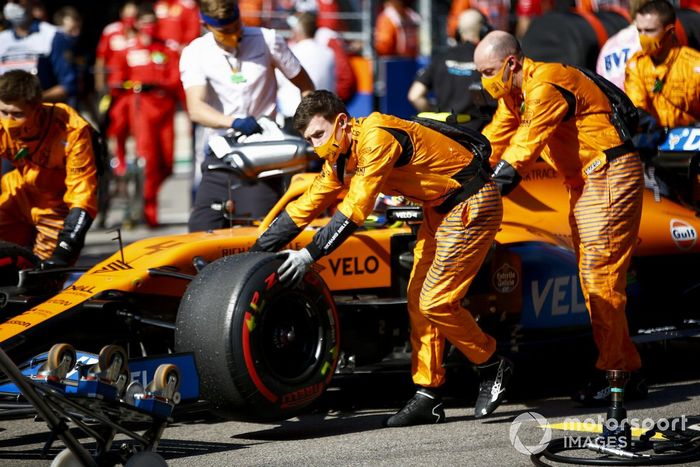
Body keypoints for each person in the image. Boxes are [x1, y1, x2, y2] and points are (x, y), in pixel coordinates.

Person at [250, 90, 513, 426]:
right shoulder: (340, 158)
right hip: (438, 212)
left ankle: (492, 364)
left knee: (436, 301)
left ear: (342, 122)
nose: (316, 145)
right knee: (418, 300)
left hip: (473, 202)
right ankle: (428, 395)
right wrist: (257, 252)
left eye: (319, 134)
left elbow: (355, 209)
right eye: (309, 139)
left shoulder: (376, 137)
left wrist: (309, 254)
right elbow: (304, 207)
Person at [475, 31, 644, 404]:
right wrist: (464, 173)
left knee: (600, 281)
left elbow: (525, 145)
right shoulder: (514, 96)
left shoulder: (547, 83)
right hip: (585, 182)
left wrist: (488, 191)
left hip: (608, 173)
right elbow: (495, 140)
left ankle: (616, 376)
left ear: (512, 63)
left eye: (488, 71)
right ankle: (624, 368)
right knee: (594, 282)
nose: (484, 81)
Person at [180, 0, 314, 232]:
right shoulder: (196, 52)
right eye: (225, 31)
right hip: (222, 150)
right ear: (206, 25)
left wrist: (304, 127)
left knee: (258, 229)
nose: (233, 33)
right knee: (201, 227)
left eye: (236, 26)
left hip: (265, 154)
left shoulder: (268, 39)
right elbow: (196, 108)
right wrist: (233, 122)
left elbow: (306, 86)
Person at [0, 70, 97, 266]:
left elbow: (82, 194)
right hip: (18, 193)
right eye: (4, 112)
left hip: (57, 206)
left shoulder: (72, 129)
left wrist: (68, 245)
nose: (9, 122)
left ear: (37, 109)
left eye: (17, 115)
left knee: (45, 278)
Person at [111, 2, 181, 228]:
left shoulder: (167, 50)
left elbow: (174, 80)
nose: (148, 27)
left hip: (165, 110)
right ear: (137, 25)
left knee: (168, 163)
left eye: (152, 23)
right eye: (144, 23)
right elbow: (116, 82)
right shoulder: (128, 51)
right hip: (141, 110)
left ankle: (142, 199)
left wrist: (155, 83)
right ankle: (149, 213)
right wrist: (135, 86)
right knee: (148, 162)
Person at [407, 9, 494, 130]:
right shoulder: (487, 59)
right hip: (478, 135)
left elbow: (414, 96)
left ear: (458, 32)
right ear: (485, 31)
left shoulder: (441, 58)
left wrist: (436, 113)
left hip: (445, 132)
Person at [625, 0, 700, 129]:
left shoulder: (694, 66)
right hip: (654, 141)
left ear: (670, 31)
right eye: (639, 31)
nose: (642, 37)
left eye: (649, 31)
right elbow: (636, 105)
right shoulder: (636, 65)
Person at [0, 0, 77, 104]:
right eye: (7, 2)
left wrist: (32, 101)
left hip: (43, 114)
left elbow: (69, 84)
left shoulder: (52, 36)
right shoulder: (2, 39)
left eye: (17, 1)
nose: (11, 5)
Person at [94, 0, 138, 177]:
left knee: (136, 126)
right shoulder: (111, 31)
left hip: (136, 91)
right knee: (116, 125)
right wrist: (100, 86)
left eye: (134, 17)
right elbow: (101, 60)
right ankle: (118, 160)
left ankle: (137, 160)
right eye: (128, 16)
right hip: (114, 91)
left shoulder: (142, 33)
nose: (131, 20)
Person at [277, 12, 335, 130]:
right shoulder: (329, 53)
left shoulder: (292, 52)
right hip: (324, 116)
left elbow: (276, 83)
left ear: (297, 31)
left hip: (293, 119)